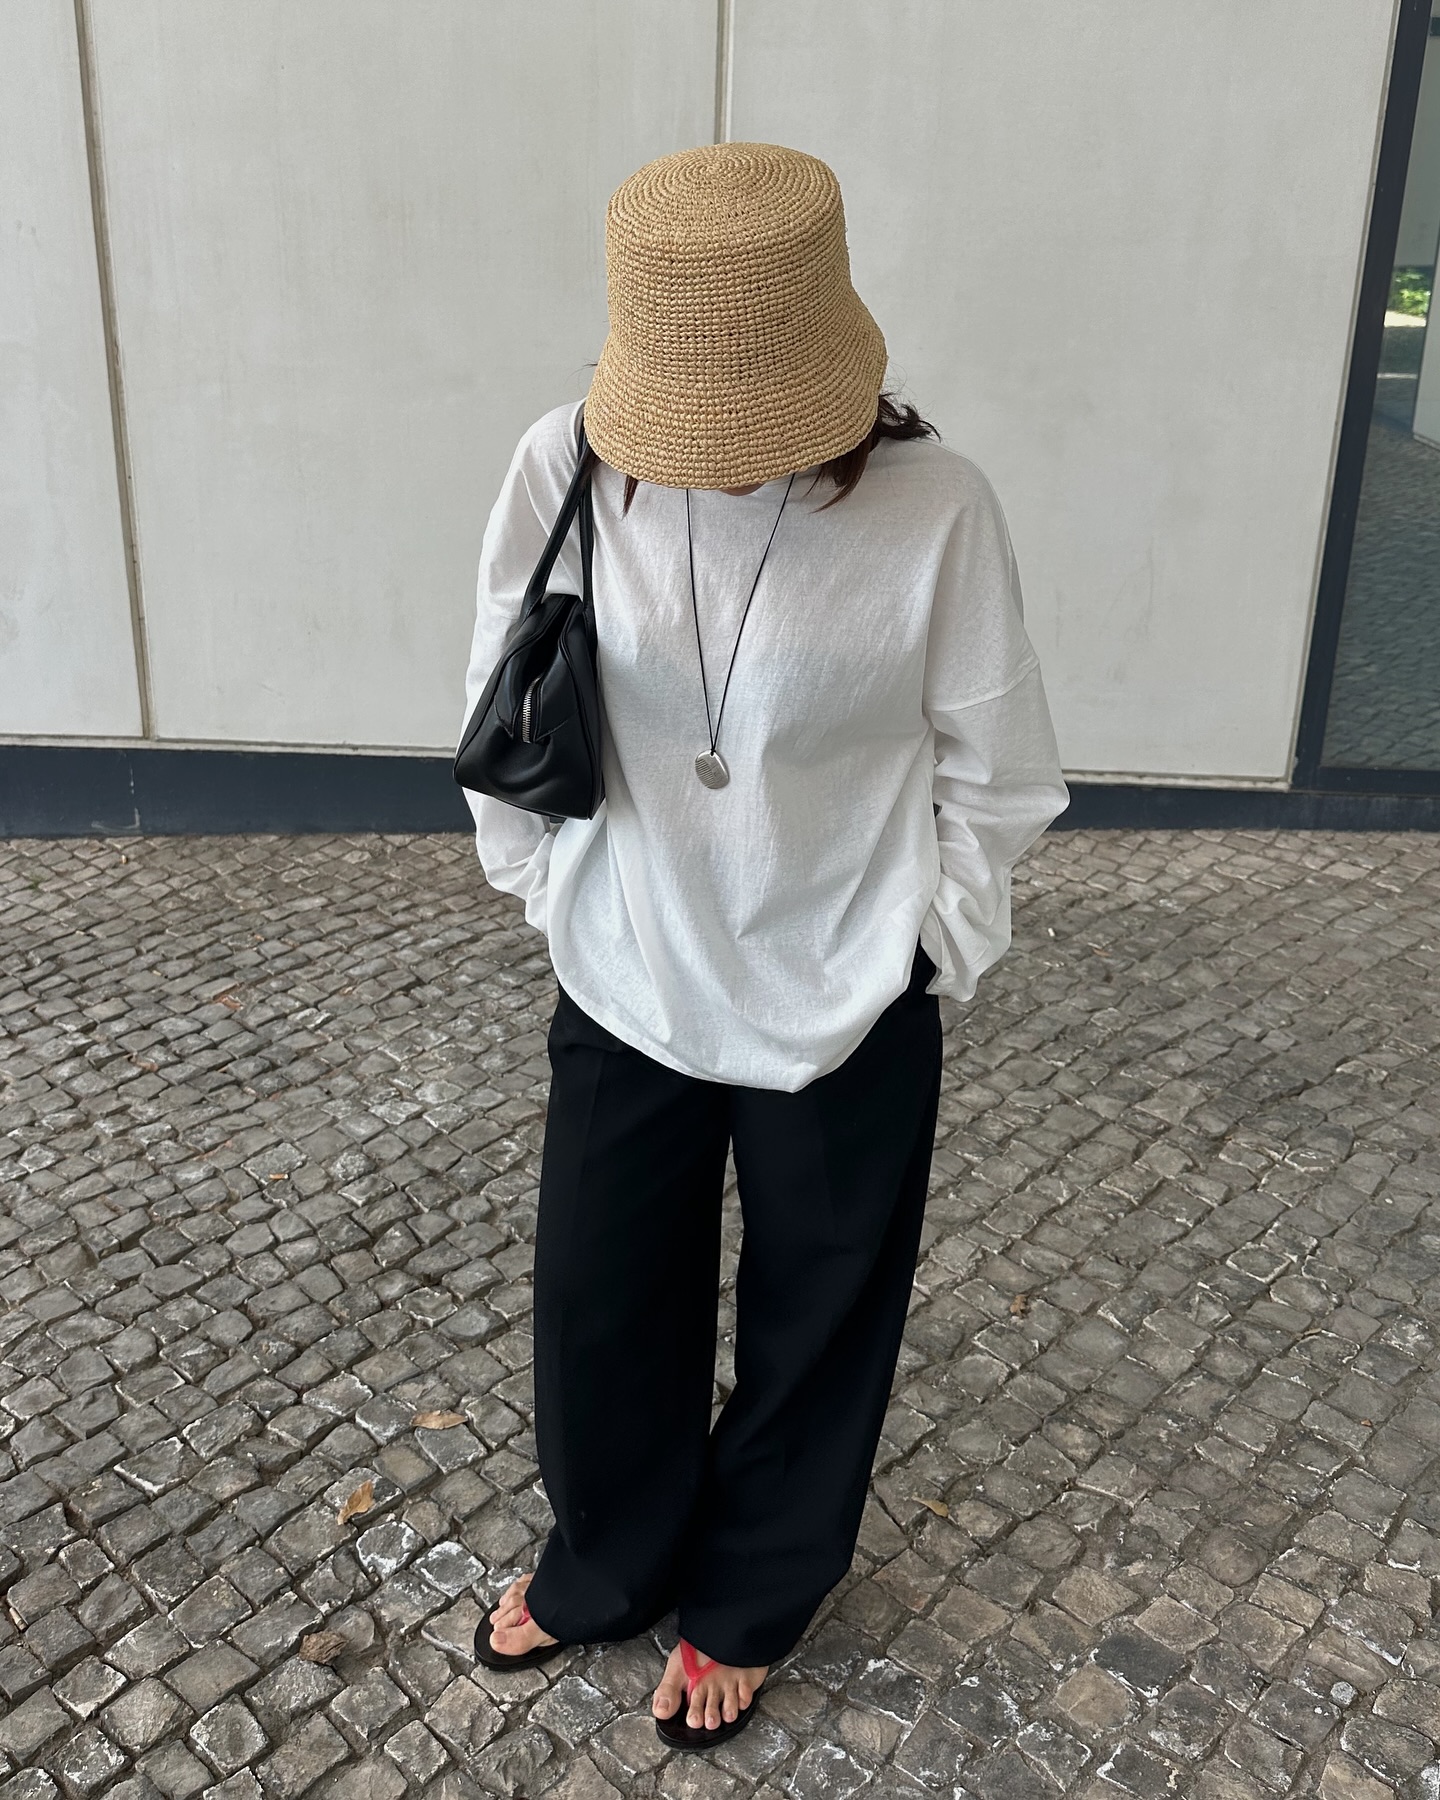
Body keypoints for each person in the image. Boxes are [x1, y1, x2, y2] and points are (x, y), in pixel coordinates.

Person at [458, 141, 1069, 1752]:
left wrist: (924, 947)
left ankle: (750, 1596)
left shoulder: (938, 510)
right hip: (630, 974)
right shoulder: (566, 467)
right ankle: (609, 1559)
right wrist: (554, 899)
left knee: (818, 1314)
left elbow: (998, 776)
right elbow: (498, 692)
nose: (718, 463)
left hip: (848, 991)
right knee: (600, 1296)